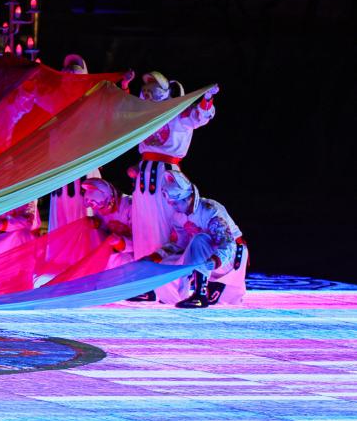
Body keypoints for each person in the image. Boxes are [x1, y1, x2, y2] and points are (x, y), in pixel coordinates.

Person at [129, 71, 219, 302]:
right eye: (145, 90)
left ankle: (169, 286)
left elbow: (199, 117)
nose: (147, 93)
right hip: (144, 177)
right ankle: (146, 284)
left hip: (166, 177)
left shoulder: (177, 113)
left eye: (152, 89)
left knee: (167, 228)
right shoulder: (145, 116)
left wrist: (207, 98)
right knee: (143, 227)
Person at [46, 55, 135, 232]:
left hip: (84, 169)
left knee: (86, 217)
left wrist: (124, 85)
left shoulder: (94, 104)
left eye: (75, 78)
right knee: (61, 221)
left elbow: (118, 112)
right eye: (67, 77)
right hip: (60, 173)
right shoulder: (54, 104)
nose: (71, 82)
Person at [147, 169, 247, 308]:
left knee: (200, 239)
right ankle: (177, 295)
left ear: (188, 198)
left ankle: (199, 296)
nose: (173, 206)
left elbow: (228, 244)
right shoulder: (178, 217)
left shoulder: (210, 210)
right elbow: (180, 244)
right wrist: (157, 256)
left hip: (229, 258)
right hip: (205, 258)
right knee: (166, 264)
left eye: (175, 203)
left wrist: (216, 260)